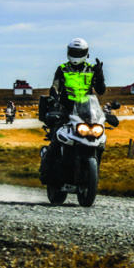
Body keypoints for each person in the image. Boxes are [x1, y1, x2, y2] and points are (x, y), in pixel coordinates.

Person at [40, 37, 106, 183]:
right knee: (57, 139)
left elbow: (100, 91)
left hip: (87, 112)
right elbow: (55, 86)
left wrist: (100, 75)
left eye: (79, 52)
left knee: (100, 141)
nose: (76, 55)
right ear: (69, 52)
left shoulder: (91, 69)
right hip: (66, 111)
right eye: (73, 52)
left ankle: (92, 174)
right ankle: (46, 172)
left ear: (85, 53)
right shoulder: (62, 69)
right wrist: (54, 98)